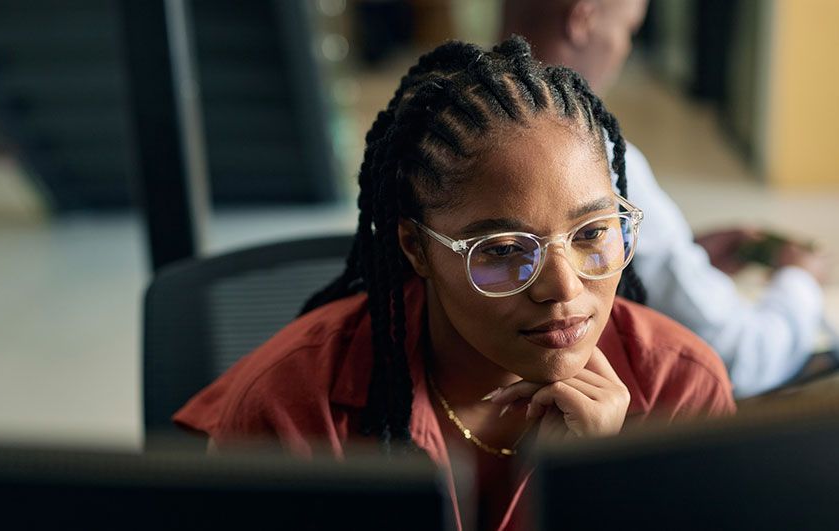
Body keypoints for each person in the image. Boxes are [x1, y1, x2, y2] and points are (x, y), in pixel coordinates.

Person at [174, 37, 735, 531]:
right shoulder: (293, 409)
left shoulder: (680, 393)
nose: (563, 288)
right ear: (416, 248)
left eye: (592, 233)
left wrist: (596, 487)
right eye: (505, 250)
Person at [502, 0, 831, 397]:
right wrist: (800, 282)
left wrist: (683, 256)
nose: (623, 49)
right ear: (582, 18)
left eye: (592, 235)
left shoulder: (451, 127)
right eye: (628, 29)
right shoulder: (594, 158)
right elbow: (741, 356)